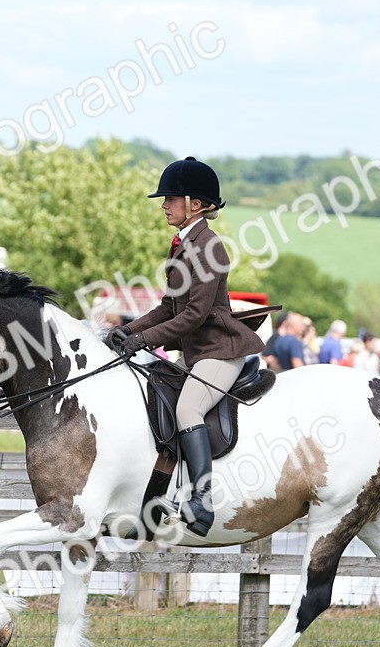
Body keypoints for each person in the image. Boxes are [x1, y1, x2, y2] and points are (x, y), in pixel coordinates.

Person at [106, 156, 265, 537]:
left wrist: (142, 340)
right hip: (198, 350)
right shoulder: (182, 244)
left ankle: (202, 502)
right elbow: (167, 307)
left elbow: (194, 315)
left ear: (195, 203)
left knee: (188, 408)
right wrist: (127, 330)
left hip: (219, 349)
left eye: (171, 199)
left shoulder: (209, 246)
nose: (163, 205)